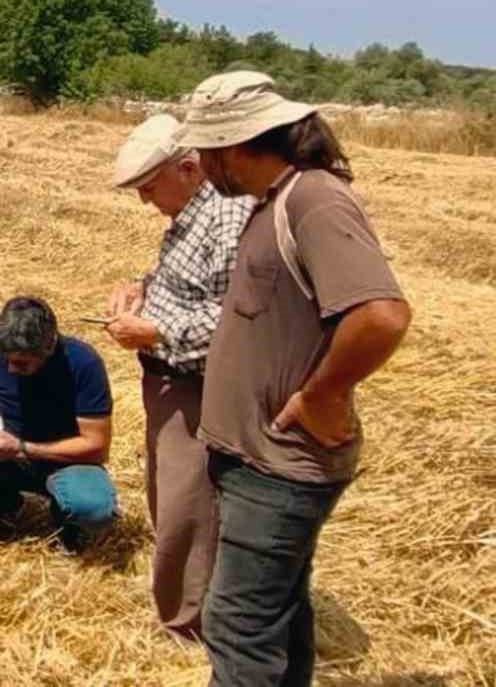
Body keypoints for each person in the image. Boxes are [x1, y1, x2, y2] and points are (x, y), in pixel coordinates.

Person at [175, 71, 411, 687]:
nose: (199, 164)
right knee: (278, 615)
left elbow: (380, 315)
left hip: (278, 466)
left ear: (234, 144)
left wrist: (320, 394)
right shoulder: (276, 200)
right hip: (253, 459)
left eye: (204, 149)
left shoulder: (314, 200)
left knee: (236, 625)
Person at [106, 114, 252, 636]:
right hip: (168, 380)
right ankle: (182, 606)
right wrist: (140, 289)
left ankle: (188, 625)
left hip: (197, 385)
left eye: (149, 187)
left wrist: (154, 331)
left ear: (189, 168)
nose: (146, 201)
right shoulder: (193, 215)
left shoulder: (229, 218)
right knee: (170, 497)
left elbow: (234, 316)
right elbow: (188, 286)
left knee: (188, 506)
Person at [0, 297, 117, 551]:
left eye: (22, 363)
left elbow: (96, 446)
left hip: (65, 461)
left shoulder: (84, 364)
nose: (11, 369)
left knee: (93, 510)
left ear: (48, 349)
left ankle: (66, 523)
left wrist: (25, 448)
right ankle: (6, 506)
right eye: (6, 360)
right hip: (7, 457)